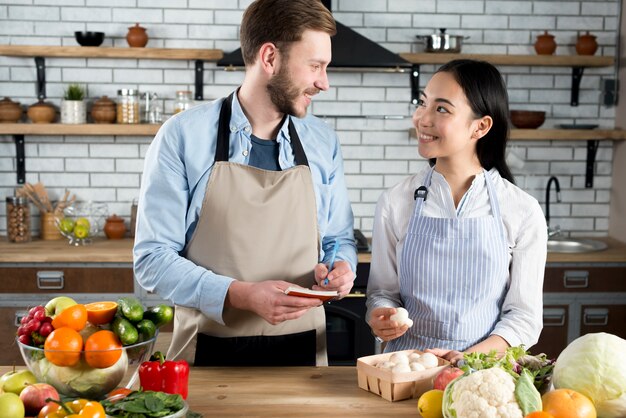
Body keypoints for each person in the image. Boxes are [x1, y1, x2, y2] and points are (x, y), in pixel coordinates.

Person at [133, 0, 357, 367]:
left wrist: (340, 268)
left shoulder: (322, 141)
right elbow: (152, 260)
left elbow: (338, 239)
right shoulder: (182, 136)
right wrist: (241, 294)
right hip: (206, 350)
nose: (324, 83)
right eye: (315, 66)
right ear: (269, 57)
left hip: (304, 355)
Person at [366, 59, 547, 365]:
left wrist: (462, 360)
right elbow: (382, 293)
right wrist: (380, 315)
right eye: (422, 103)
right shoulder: (395, 201)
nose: (422, 118)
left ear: (481, 126)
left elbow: (524, 318)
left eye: (441, 109)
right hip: (407, 369)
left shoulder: (522, 210)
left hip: (483, 373)